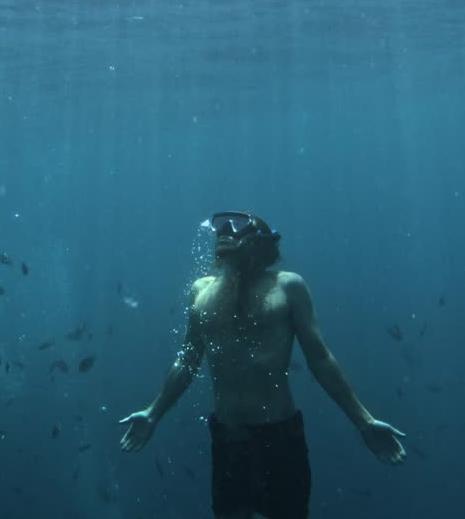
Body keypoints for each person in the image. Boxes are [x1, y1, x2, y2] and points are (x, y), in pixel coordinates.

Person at [119, 211, 406, 519]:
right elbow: (187, 360)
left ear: (260, 241)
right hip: (227, 436)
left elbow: (320, 359)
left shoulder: (288, 287)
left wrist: (363, 420)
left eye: (237, 225)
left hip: (280, 435)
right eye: (221, 227)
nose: (225, 231)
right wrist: (153, 413)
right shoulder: (200, 291)